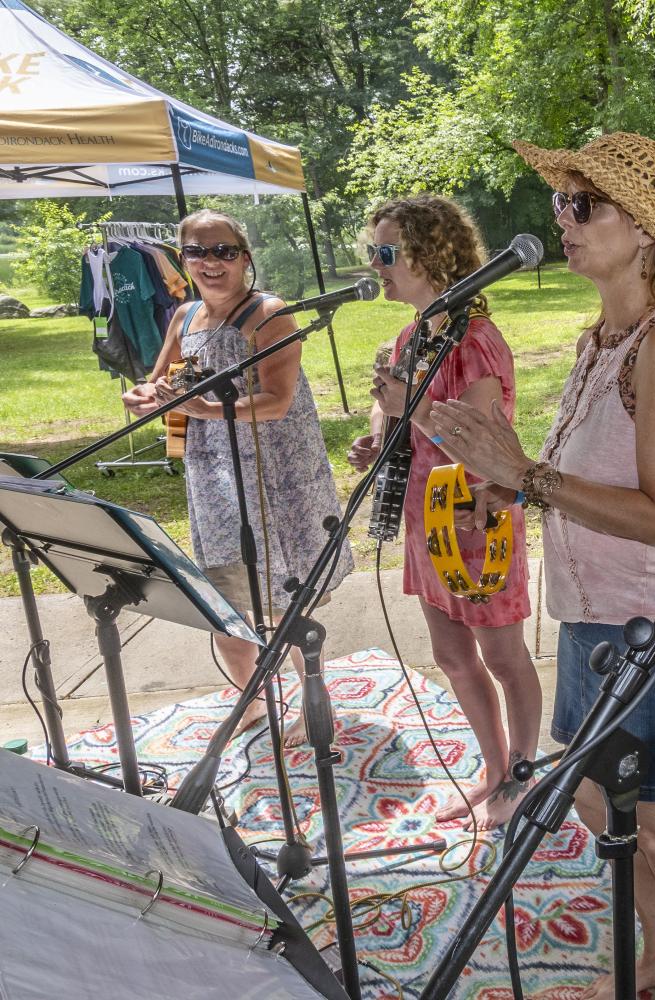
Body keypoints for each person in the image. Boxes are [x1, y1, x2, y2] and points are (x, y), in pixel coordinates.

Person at [422, 132, 655, 1000]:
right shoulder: (608, 336)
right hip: (599, 617)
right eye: (561, 200)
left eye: (581, 203)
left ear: (643, 231)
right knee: (602, 804)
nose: (562, 218)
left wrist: (527, 475)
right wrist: (510, 491)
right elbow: (589, 476)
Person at [122, 209, 354, 741]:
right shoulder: (183, 317)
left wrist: (201, 409)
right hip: (214, 475)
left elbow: (277, 400)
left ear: (245, 258)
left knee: (287, 599)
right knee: (223, 596)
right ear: (182, 261)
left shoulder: (267, 314)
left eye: (223, 251)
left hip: (276, 473)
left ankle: (314, 705)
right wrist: (143, 397)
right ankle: (251, 701)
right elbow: (161, 382)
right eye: (197, 252)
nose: (211, 262)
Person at [346, 194, 539, 829]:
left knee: (506, 661)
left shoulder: (477, 341)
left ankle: (522, 774)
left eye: (386, 251)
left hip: (476, 521)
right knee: (454, 658)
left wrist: (409, 408)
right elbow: (403, 421)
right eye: (372, 250)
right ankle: (490, 767)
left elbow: (481, 444)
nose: (375, 263)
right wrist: (378, 439)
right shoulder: (410, 337)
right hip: (425, 521)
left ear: (431, 253)